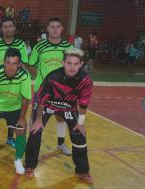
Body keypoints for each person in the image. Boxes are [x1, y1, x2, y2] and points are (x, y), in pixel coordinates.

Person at [24, 48, 94, 184]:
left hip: (69, 106)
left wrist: (80, 123)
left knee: (79, 135)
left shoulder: (86, 80)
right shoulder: (52, 77)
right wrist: (38, 120)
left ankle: (82, 171)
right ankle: (30, 165)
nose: (72, 67)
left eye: (76, 64)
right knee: (35, 130)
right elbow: (41, 100)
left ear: (81, 64)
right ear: (63, 63)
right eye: (69, 63)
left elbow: (84, 104)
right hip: (47, 105)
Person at [0, 48, 31, 174]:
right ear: (3, 62)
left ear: (19, 64)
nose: (10, 67)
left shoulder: (24, 75)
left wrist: (22, 118)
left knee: (21, 130)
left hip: (14, 107)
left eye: (14, 64)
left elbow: (25, 98)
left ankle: (18, 159)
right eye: (8, 63)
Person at [27, 17, 74, 156]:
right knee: (35, 117)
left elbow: (73, 67)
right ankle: (31, 143)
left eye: (58, 26)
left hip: (62, 91)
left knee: (61, 117)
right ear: (47, 29)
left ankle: (60, 144)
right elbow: (30, 66)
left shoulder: (68, 48)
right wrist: (44, 80)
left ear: (62, 29)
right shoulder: (39, 46)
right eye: (52, 26)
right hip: (42, 90)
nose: (55, 29)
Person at [0, 17, 29, 148]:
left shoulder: (21, 44)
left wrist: (20, 80)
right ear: (2, 29)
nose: (7, 29)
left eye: (10, 26)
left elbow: (24, 65)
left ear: (14, 29)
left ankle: (10, 138)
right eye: (5, 26)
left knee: (12, 108)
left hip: (14, 82)